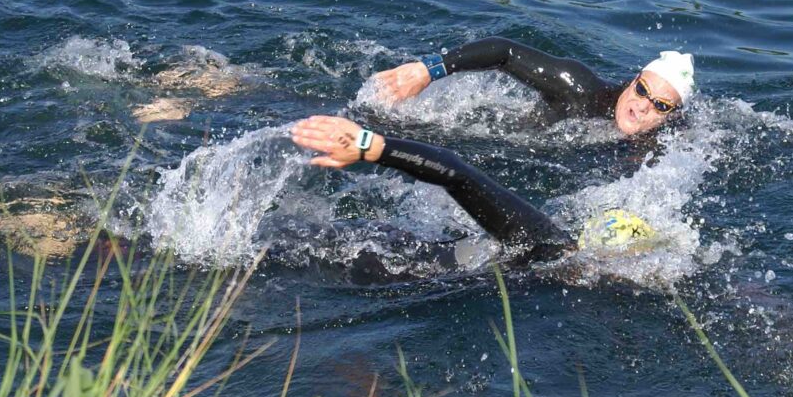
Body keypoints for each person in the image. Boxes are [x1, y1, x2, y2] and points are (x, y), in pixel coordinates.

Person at [289, 115, 658, 279]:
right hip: (373, 260)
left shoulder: (551, 267)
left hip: (392, 255)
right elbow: (458, 174)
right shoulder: (544, 243)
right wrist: (371, 146)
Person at [371, 37, 696, 135]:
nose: (642, 107)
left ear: (672, 114)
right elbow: (505, 52)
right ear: (634, 80)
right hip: (497, 136)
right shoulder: (580, 90)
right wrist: (428, 70)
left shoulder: (663, 141)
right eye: (642, 91)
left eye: (660, 106)